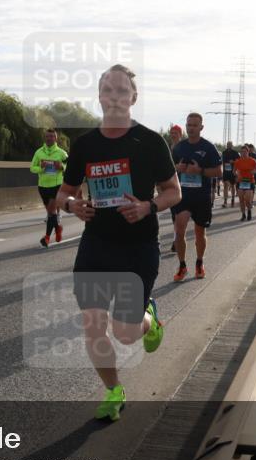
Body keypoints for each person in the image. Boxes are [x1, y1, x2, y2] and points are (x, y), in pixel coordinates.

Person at [56, 64, 180, 422]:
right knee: (93, 324)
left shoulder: (150, 142)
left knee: (125, 334)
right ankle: (114, 390)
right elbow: (62, 195)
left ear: (133, 98)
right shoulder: (85, 145)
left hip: (138, 245)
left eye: (121, 91)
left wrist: (148, 206)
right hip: (97, 244)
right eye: (107, 90)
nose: (114, 97)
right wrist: (73, 206)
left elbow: (174, 191)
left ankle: (148, 319)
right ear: (99, 97)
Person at [170, 112, 220, 280]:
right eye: (188, 125)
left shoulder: (208, 148)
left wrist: (200, 171)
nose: (191, 128)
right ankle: (182, 265)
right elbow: (170, 169)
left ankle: (199, 262)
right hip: (183, 195)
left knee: (200, 232)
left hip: (201, 196)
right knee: (179, 230)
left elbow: (218, 171)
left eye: (194, 125)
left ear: (201, 127)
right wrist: (178, 167)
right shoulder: (179, 147)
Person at [29, 127, 68, 248]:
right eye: (47, 136)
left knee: (51, 212)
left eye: (51, 136)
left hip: (56, 186)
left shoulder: (61, 153)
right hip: (43, 187)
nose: (49, 138)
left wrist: (61, 167)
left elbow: (70, 166)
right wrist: (41, 168)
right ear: (45, 138)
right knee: (51, 213)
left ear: (56, 138)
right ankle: (58, 228)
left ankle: (46, 238)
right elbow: (32, 168)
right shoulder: (39, 152)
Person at [166, 123, 183, 252]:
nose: (173, 135)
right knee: (174, 214)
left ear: (180, 134)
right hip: (171, 185)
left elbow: (184, 166)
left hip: (184, 184)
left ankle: (178, 239)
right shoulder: (168, 147)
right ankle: (177, 239)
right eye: (171, 132)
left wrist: (176, 168)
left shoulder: (184, 148)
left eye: (175, 133)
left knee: (180, 214)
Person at [233, 145, 256, 221]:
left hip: (249, 181)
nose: (243, 153)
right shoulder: (237, 161)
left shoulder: (252, 160)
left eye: (245, 152)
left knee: (247, 200)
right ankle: (243, 214)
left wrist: (251, 171)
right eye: (242, 152)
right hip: (240, 182)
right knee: (241, 200)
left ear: (248, 152)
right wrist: (237, 174)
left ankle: (249, 211)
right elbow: (234, 171)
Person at [220, 141, 239, 208]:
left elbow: (239, 161)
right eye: (228, 144)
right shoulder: (224, 152)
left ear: (232, 145)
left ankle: (233, 199)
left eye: (230, 145)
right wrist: (222, 172)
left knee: (232, 186)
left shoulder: (235, 153)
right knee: (225, 186)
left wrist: (233, 161)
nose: (229, 146)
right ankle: (225, 201)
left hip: (232, 172)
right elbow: (222, 162)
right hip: (225, 172)